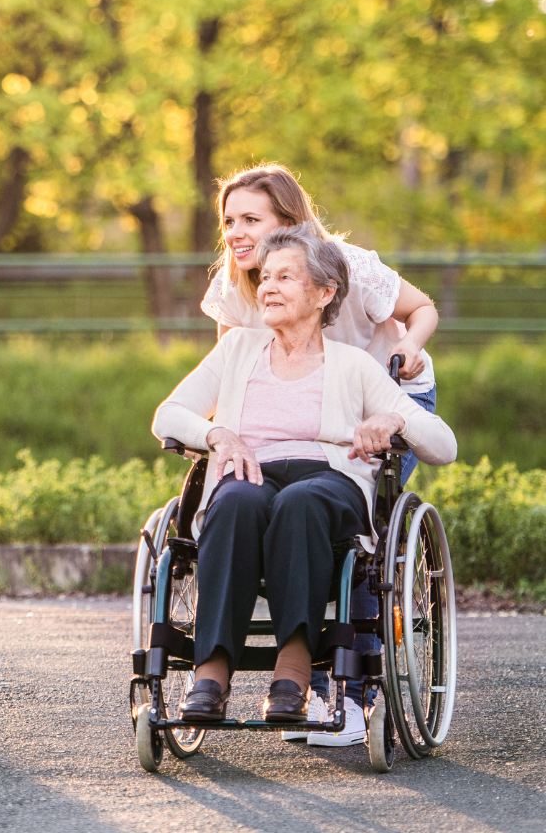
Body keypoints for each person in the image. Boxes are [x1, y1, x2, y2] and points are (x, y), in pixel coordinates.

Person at [152, 226, 456, 728]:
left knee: (302, 502)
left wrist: (396, 420)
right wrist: (218, 435)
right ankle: (211, 671)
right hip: (250, 472)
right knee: (233, 503)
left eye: (285, 277)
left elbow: (444, 444)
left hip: (328, 482)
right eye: (265, 277)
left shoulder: (354, 365)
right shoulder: (237, 351)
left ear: (324, 293)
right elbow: (168, 414)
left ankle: (291, 669)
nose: (267, 286)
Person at [200, 163, 438, 745]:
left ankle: (352, 695)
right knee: (251, 500)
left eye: (251, 218)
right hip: (300, 413)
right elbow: (233, 375)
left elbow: (422, 307)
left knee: (355, 534)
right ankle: (232, 670)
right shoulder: (237, 282)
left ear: (289, 220)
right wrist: (221, 438)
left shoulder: (346, 265)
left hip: (386, 392)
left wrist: (407, 344)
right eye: (229, 220)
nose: (235, 231)